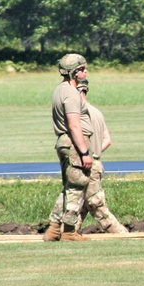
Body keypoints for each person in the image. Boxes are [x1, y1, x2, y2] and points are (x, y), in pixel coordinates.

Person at [42, 54, 93, 242]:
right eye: (82, 69)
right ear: (74, 72)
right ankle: (69, 231)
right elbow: (74, 125)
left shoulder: (60, 90)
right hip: (73, 144)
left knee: (68, 187)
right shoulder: (71, 94)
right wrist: (84, 152)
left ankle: (54, 228)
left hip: (64, 142)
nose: (86, 72)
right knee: (77, 188)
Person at [73, 78, 128, 234]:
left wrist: (85, 156)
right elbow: (108, 140)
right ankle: (69, 232)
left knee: (94, 204)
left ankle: (120, 234)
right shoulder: (97, 112)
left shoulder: (79, 115)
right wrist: (95, 154)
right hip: (95, 162)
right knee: (81, 204)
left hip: (85, 164)